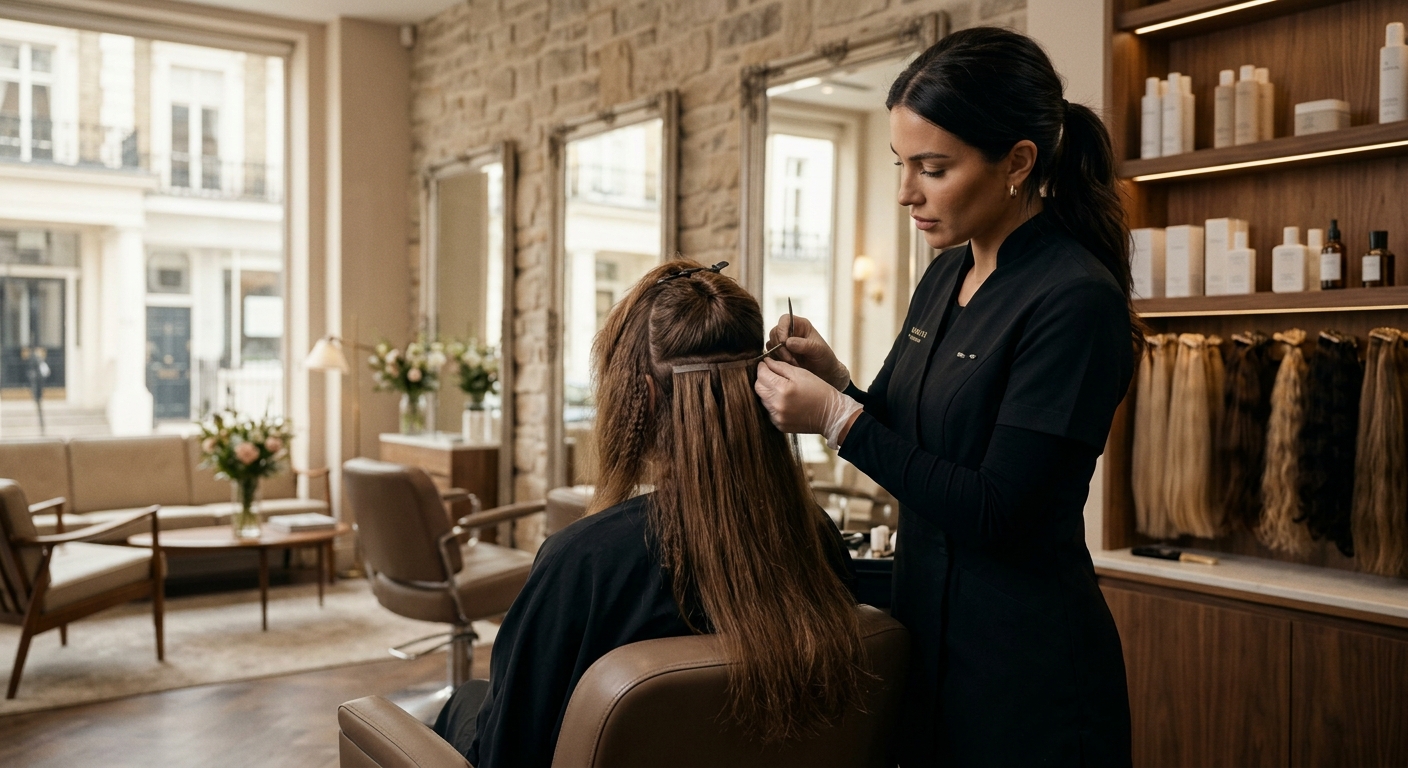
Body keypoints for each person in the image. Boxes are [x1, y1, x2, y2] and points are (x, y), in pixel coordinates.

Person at [753, 27, 1137, 767]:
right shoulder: (945, 275)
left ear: (1018, 162)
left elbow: (997, 508)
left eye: (933, 167)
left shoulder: (1073, 300)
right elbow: (916, 443)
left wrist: (836, 419)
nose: (906, 193)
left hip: (1026, 672)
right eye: (902, 164)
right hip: (929, 640)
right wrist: (837, 380)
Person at [434, 259, 866, 767]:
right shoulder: (816, 536)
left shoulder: (583, 564)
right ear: (763, 390)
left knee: (463, 702)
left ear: (646, 392)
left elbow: (506, 753)